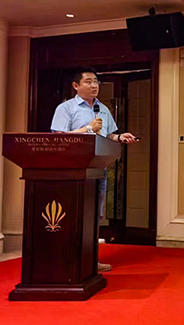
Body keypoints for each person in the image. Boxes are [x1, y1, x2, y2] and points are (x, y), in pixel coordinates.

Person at [51, 67, 138, 272]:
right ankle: (68, 260)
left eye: (96, 82)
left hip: (98, 169)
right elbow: (58, 138)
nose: (94, 86)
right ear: (76, 86)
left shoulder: (103, 109)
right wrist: (88, 128)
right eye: (88, 82)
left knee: (94, 215)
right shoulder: (66, 108)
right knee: (74, 214)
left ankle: (90, 261)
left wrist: (120, 137)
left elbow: (108, 135)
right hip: (73, 171)